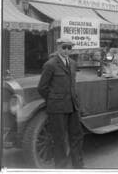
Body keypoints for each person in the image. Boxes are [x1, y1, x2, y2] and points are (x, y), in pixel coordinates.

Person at [37, 38, 84, 169]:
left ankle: (78, 166)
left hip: (72, 106)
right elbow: (42, 88)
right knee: (59, 139)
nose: (66, 50)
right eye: (64, 47)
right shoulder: (50, 64)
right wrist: (54, 100)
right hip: (57, 108)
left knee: (77, 136)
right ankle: (61, 168)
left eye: (69, 48)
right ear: (58, 47)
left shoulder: (73, 63)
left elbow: (72, 85)